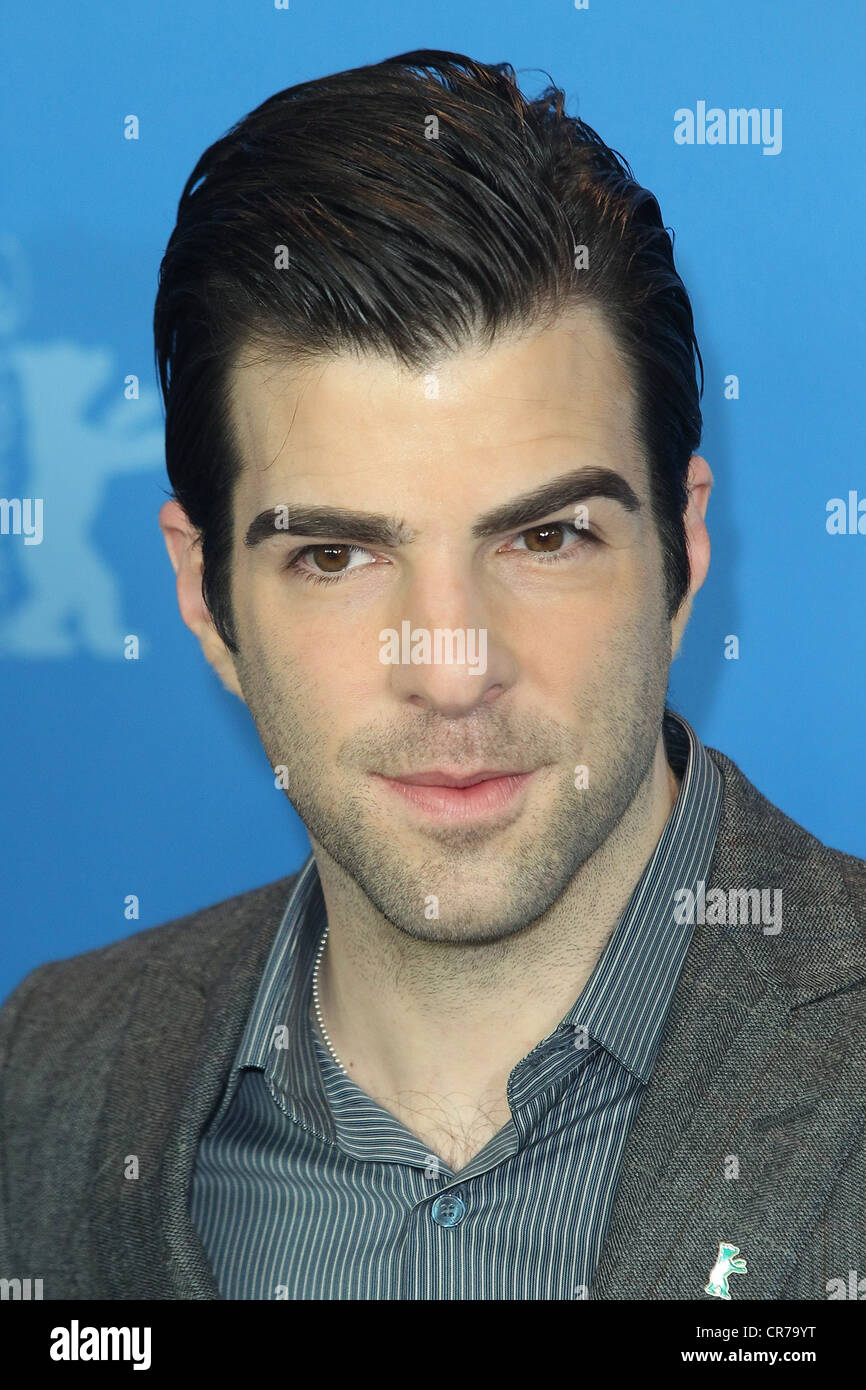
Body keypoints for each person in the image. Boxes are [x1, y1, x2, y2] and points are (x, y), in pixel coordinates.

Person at [2, 49, 864, 1302]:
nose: (452, 672)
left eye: (544, 538)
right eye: (337, 555)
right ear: (203, 596)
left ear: (680, 555)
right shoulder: (42, 1083)